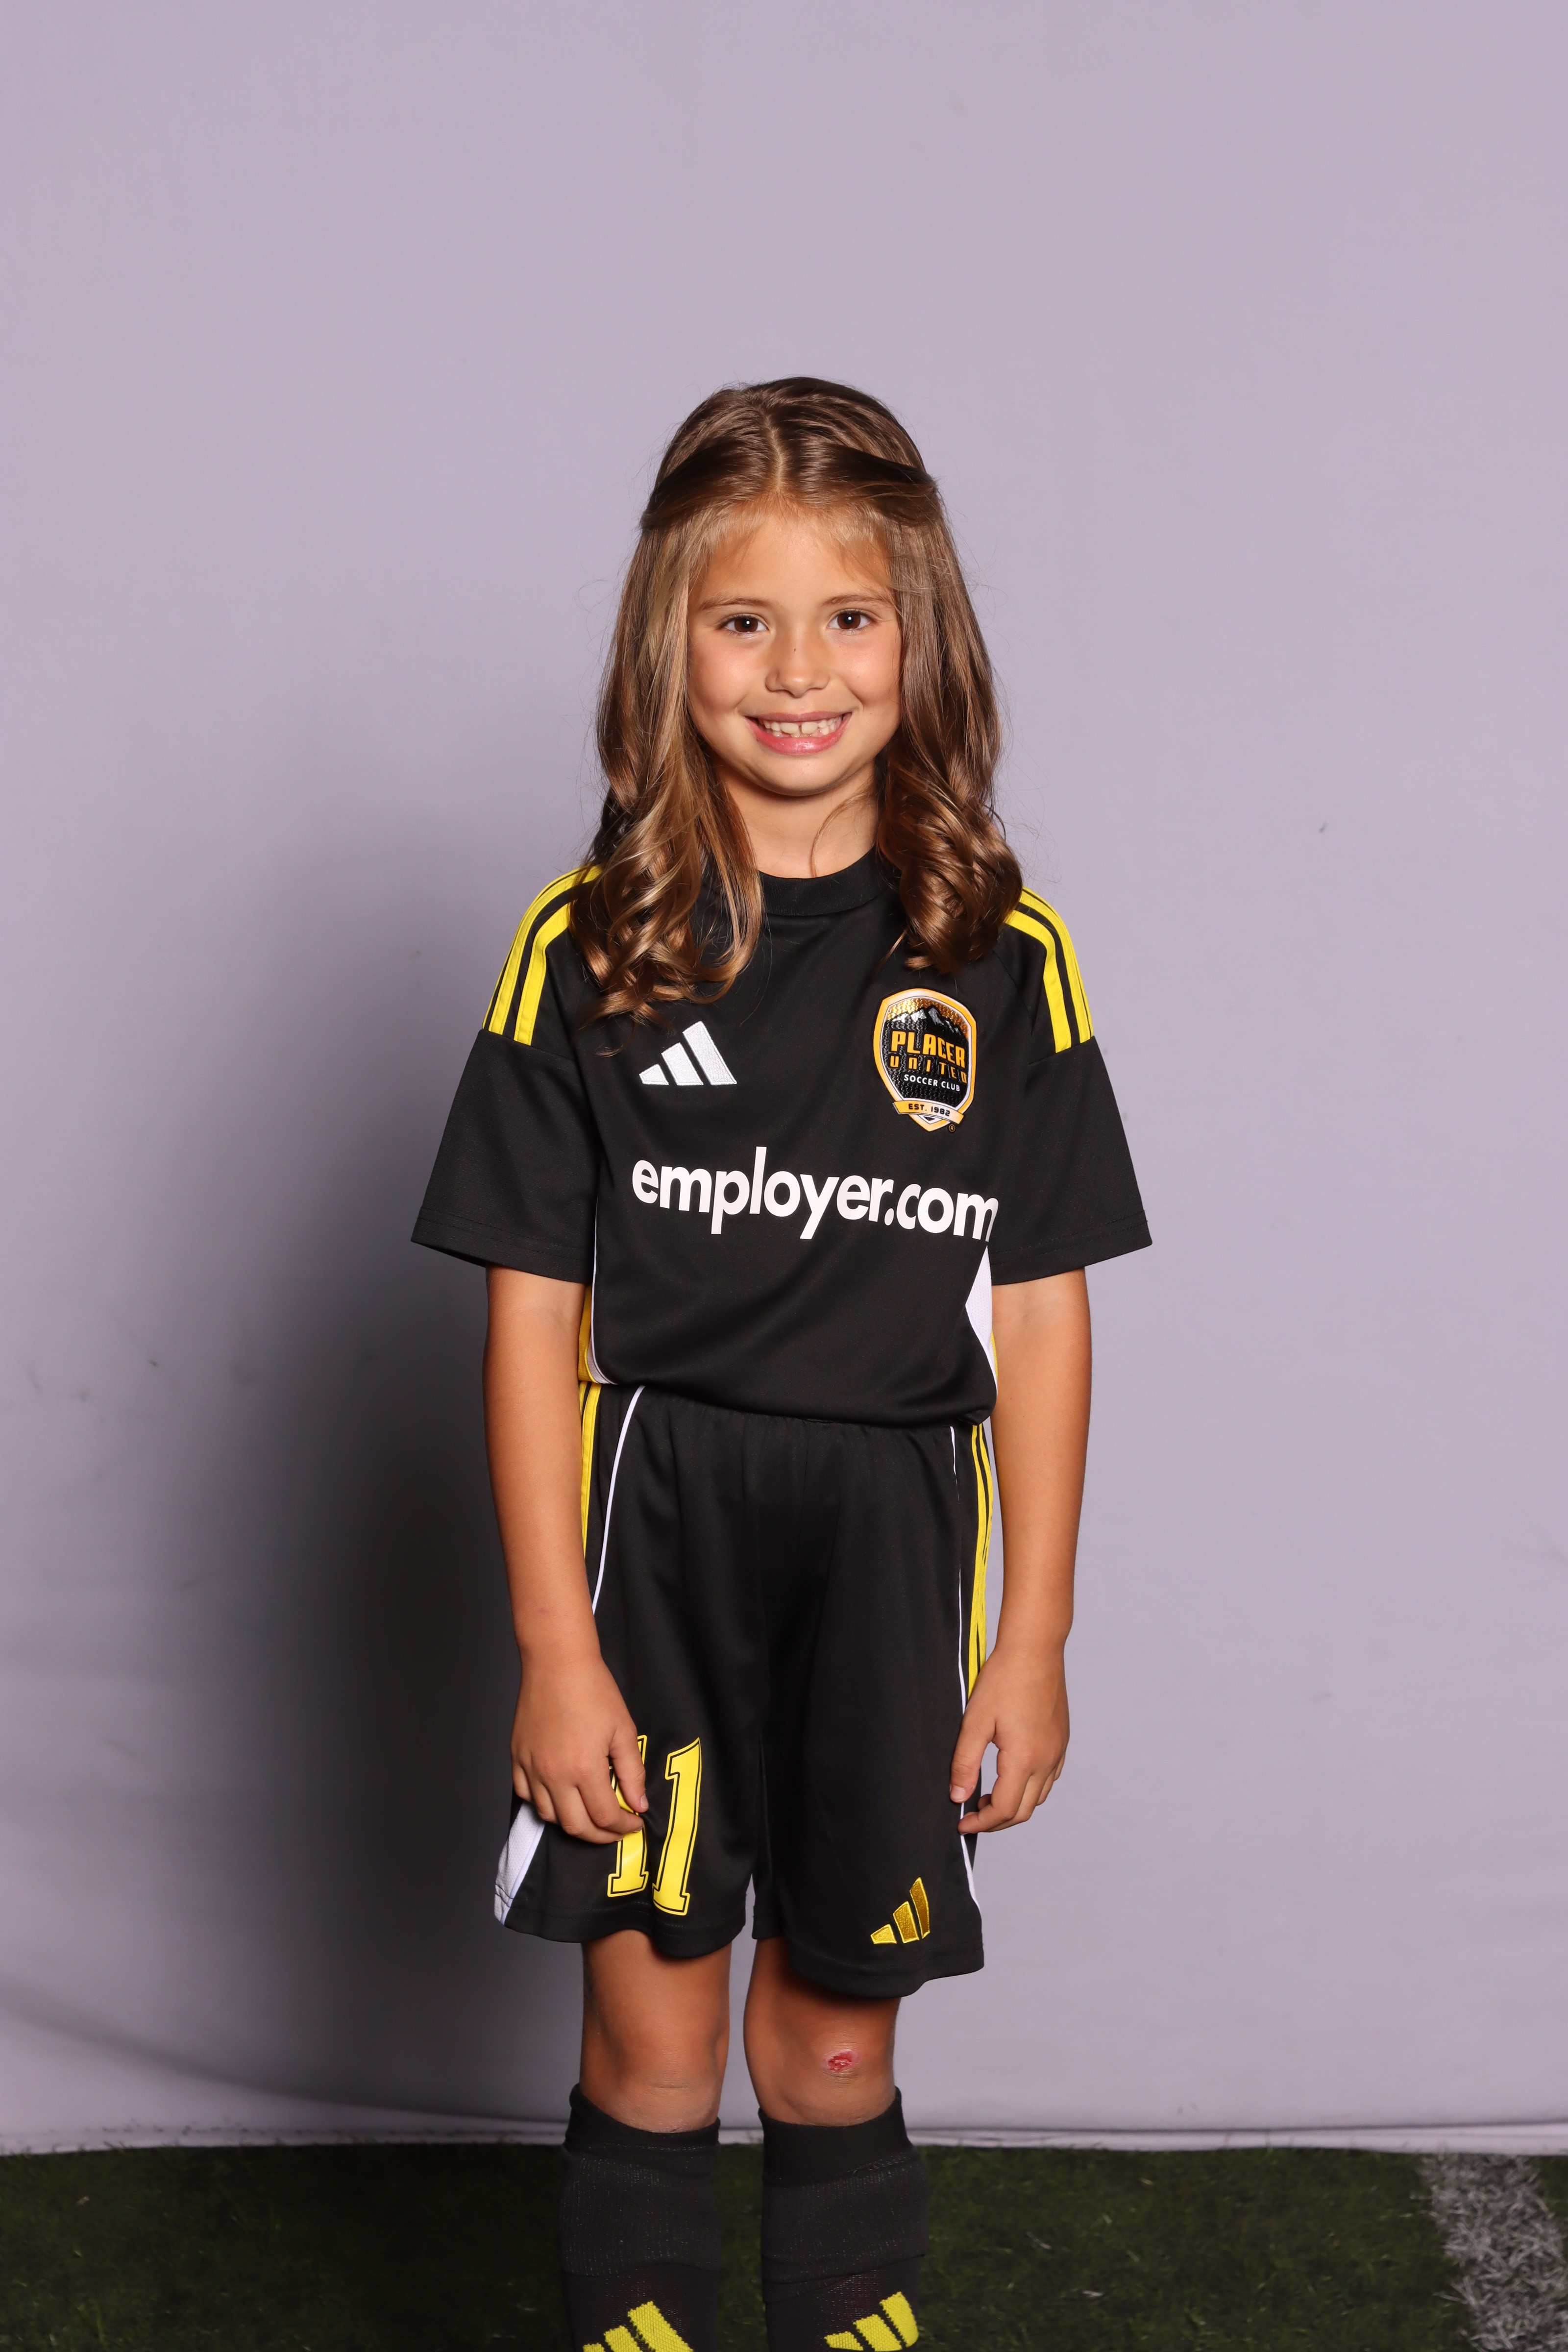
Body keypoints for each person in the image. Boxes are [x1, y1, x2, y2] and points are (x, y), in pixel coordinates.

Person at [413, 378, 1150, 2352]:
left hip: (894, 1547)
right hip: (654, 1542)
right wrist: (552, 1645)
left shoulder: (1004, 955)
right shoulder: (586, 944)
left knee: (830, 2046)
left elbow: (1043, 1308)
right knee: (652, 2039)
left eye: (848, 618)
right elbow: (529, 1309)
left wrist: (1035, 1636)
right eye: (744, 621)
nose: (798, 671)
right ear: (670, 642)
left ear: (924, 640)